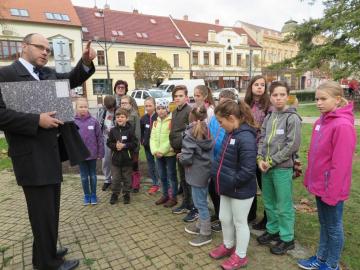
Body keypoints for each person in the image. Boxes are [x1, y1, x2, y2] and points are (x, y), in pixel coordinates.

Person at [0, 33, 95, 270]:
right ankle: (47, 263)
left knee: (49, 211)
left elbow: (73, 78)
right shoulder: (5, 75)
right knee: (42, 213)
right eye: (40, 47)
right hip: (31, 158)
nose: (45, 52)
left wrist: (84, 62)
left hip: (51, 154)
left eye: (48, 49)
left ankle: (47, 249)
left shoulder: (48, 73)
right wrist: (36, 120)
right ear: (24, 47)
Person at [297, 81, 356, 270]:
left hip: (332, 189)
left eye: (323, 99)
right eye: (316, 99)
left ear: (337, 100)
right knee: (324, 223)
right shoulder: (319, 122)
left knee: (333, 226)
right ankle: (321, 258)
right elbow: (315, 155)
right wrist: (309, 178)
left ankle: (331, 264)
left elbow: (341, 164)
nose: (318, 103)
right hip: (320, 185)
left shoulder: (343, 125)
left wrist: (332, 191)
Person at [209, 100, 257, 269]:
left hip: (240, 189)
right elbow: (222, 159)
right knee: (224, 217)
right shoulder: (231, 133)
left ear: (231, 118)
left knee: (239, 222)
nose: (220, 126)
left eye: (221, 122)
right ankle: (228, 245)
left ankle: (241, 256)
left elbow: (248, 169)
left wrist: (231, 182)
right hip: (227, 187)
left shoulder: (245, 137)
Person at [256, 81, 301, 255]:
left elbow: (292, 145)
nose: (279, 98)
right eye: (275, 95)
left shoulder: (292, 118)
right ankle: (273, 230)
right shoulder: (269, 117)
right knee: (269, 202)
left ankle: (287, 238)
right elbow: (262, 139)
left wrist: (272, 161)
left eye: (282, 95)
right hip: (265, 168)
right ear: (271, 96)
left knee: (284, 205)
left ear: (287, 96)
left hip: (281, 168)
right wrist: (260, 158)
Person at [180, 105, 213, 247]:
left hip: (196, 173)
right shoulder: (206, 129)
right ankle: (200, 224)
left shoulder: (189, 133)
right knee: (202, 200)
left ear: (190, 117)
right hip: (205, 171)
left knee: (200, 203)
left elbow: (187, 157)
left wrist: (181, 157)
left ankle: (205, 232)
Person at [207, 89, 238, 233]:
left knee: (222, 192)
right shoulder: (214, 118)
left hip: (225, 161)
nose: (222, 105)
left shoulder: (232, 122)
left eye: (225, 102)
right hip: (213, 159)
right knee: (212, 189)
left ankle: (224, 220)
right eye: (220, 100)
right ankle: (218, 214)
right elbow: (209, 132)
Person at [244, 75, 271, 230]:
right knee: (249, 183)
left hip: (263, 150)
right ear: (251, 87)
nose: (260, 87)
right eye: (256, 84)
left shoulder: (268, 105)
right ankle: (251, 213)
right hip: (248, 149)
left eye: (262, 84)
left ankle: (268, 218)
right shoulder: (246, 104)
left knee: (264, 185)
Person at [170, 85, 197, 220]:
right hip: (177, 150)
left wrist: (186, 149)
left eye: (180, 96)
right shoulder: (174, 112)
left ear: (186, 97)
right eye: (175, 96)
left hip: (186, 150)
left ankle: (193, 206)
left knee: (190, 179)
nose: (178, 98)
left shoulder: (189, 111)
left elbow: (191, 131)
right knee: (183, 179)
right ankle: (186, 202)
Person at [74, 98, 104, 205]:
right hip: (80, 155)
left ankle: (93, 195)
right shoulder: (73, 122)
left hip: (92, 153)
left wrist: (101, 152)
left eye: (85, 107)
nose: (83, 109)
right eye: (80, 107)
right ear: (76, 108)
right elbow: (71, 140)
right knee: (83, 176)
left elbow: (99, 137)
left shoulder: (94, 121)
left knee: (93, 175)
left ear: (88, 108)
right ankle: (86, 195)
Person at [150, 98, 178, 207]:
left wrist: (162, 151)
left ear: (167, 109)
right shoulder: (156, 122)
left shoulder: (172, 121)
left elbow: (172, 138)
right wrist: (155, 151)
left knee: (172, 176)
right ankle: (165, 195)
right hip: (158, 154)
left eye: (163, 108)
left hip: (169, 154)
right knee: (162, 175)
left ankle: (173, 197)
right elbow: (152, 138)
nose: (160, 111)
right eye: (158, 108)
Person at [107, 108, 138, 205]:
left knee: (127, 178)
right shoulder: (112, 130)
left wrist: (124, 145)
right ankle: (115, 194)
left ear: (127, 118)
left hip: (127, 160)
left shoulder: (131, 130)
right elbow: (109, 143)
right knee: (115, 178)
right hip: (115, 160)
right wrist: (115, 146)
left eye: (122, 117)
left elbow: (134, 143)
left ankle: (126, 194)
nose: (120, 118)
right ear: (115, 119)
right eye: (118, 117)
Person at [96, 95, 117, 191]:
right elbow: (97, 124)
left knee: (116, 160)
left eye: (112, 107)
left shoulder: (118, 111)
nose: (111, 109)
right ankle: (107, 180)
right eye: (109, 108)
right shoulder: (102, 112)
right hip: (105, 140)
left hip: (116, 140)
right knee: (106, 161)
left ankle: (116, 180)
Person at [120, 95, 141, 192]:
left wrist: (136, 146)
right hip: (123, 146)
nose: (123, 105)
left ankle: (136, 185)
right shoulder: (119, 114)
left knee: (134, 165)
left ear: (130, 104)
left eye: (125, 103)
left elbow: (137, 132)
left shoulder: (134, 115)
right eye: (122, 103)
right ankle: (127, 184)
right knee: (125, 166)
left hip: (133, 145)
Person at [140, 97, 159, 194]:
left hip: (158, 147)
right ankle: (155, 184)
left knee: (160, 165)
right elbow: (141, 132)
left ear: (155, 106)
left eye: (150, 105)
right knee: (151, 165)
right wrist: (142, 141)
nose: (148, 108)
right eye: (146, 106)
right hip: (147, 146)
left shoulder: (158, 117)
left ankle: (165, 184)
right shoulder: (143, 118)